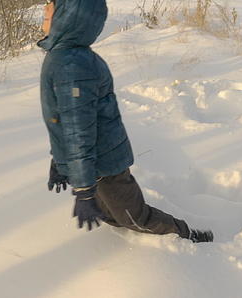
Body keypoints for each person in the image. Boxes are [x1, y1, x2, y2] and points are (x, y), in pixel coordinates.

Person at [37, 0, 213, 243]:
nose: (44, 10)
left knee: (134, 217)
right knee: (110, 215)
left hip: (105, 165)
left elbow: (79, 130)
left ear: (69, 16)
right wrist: (60, 161)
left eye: (51, 5)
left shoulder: (72, 65)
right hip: (92, 165)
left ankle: (187, 235)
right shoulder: (63, 57)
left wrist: (84, 189)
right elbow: (62, 121)